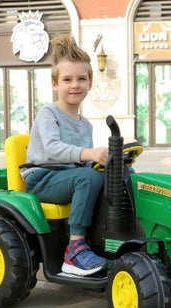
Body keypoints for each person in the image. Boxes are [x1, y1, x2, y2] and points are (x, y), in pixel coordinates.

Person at [20, 34, 108, 276]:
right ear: (55, 84)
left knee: (114, 175)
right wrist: (89, 154)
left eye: (81, 79)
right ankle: (75, 250)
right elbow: (53, 149)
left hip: (67, 177)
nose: (75, 85)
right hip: (42, 178)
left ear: (90, 82)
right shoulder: (48, 114)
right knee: (87, 178)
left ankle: (106, 236)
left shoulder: (85, 123)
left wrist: (109, 162)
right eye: (67, 79)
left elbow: (85, 161)